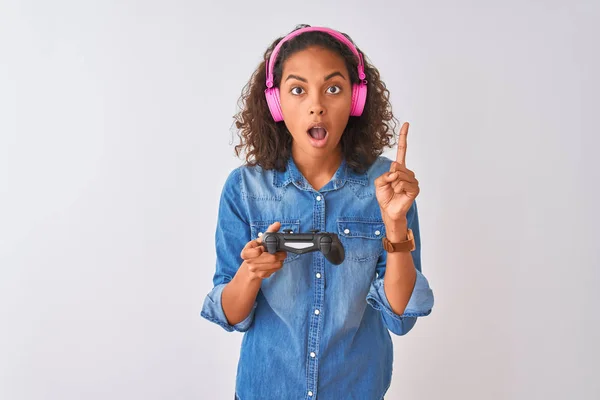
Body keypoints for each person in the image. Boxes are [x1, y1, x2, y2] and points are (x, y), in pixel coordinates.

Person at [200, 24, 435, 400]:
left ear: (356, 100)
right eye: (297, 90)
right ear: (276, 103)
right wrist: (250, 273)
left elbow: (400, 316)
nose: (317, 104)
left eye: (334, 88)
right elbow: (230, 315)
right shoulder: (244, 189)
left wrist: (394, 227)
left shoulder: (388, 187)